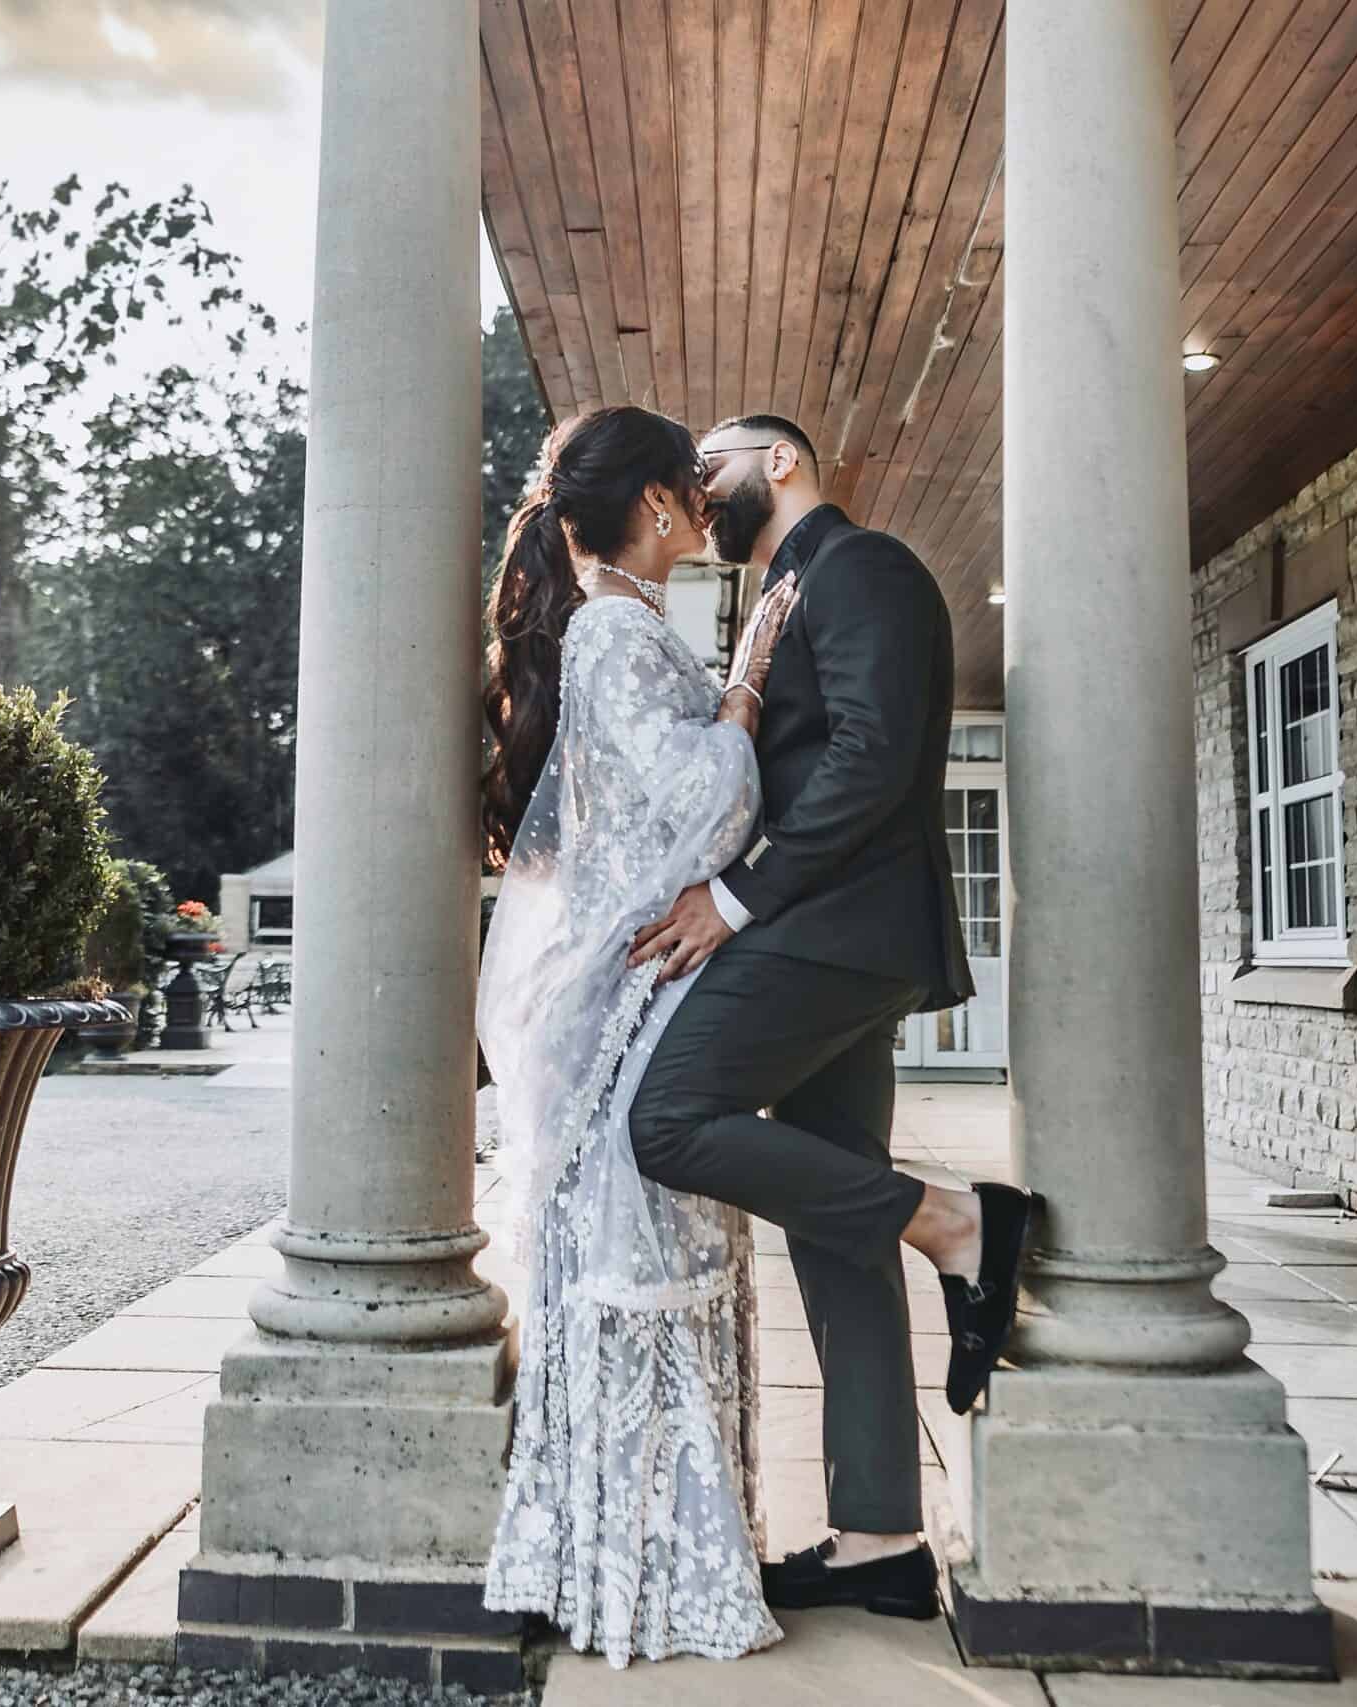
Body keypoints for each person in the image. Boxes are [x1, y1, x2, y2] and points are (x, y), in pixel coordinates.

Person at [624, 413, 1036, 1623]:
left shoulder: (863, 566)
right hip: (832, 932)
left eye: (711, 463)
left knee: (668, 1117)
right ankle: (879, 1541)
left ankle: (959, 1223)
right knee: (833, 1222)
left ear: (782, 461)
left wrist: (734, 898)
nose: (697, 488)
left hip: (837, 931)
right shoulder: (780, 594)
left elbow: (870, 754)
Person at [475, 405, 800, 1665]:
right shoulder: (614, 632)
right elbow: (703, 809)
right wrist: (747, 684)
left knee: (654, 1266)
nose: (709, 505)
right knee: (640, 1271)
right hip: (626, 1006)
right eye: (693, 485)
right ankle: (643, 1578)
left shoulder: (618, 624)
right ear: (657, 504)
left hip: (636, 990)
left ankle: (647, 1561)